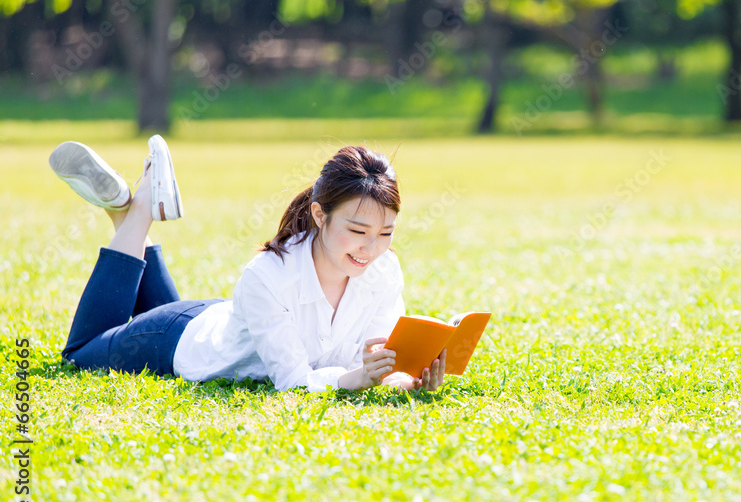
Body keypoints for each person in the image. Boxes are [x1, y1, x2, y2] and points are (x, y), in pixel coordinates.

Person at [50, 136, 445, 393]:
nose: (371, 248)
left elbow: (376, 357)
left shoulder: (384, 271)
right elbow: (293, 383)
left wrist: (406, 379)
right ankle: (139, 213)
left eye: (386, 233)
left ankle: (123, 211)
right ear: (320, 216)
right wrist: (358, 379)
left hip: (221, 319)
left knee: (135, 295)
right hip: (172, 339)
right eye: (358, 231)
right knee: (81, 352)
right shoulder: (268, 277)